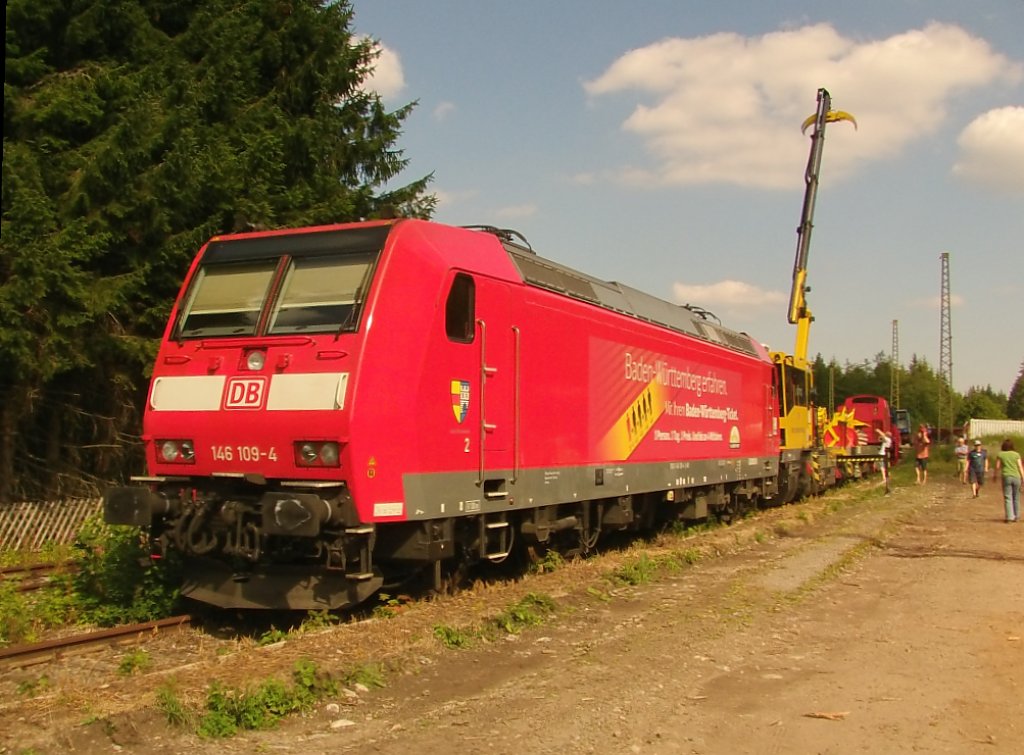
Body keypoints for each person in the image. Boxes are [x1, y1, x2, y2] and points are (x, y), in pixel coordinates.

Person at [993, 438, 1024, 523]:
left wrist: (995, 476)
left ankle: (1010, 517)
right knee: (1016, 497)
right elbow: (1020, 467)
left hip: (1006, 476)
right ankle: (1017, 516)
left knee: (1008, 497)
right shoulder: (1016, 454)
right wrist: (1023, 478)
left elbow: (997, 467)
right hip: (1016, 477)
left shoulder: (1001, 454)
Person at [877, 429, 892, 494]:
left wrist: (878, 431)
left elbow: (882, 436)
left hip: (882, 454)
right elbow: (879, 439)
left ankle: (884, 478)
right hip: (884, 454)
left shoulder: (888, 439)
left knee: (882, 467)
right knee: (884, 466)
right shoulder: (888, 440)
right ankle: (886, 477)